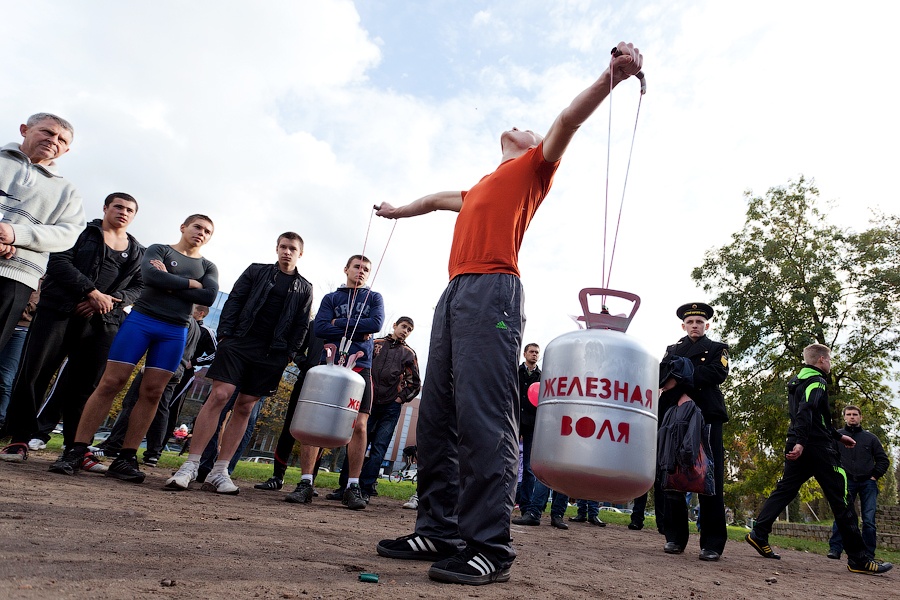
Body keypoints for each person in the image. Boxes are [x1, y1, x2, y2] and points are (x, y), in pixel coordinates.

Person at [373, 43, 643, 586]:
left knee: (482, 415)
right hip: (453, 293)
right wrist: (396, 210)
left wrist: (610, 76)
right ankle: (437, 528)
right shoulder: (477, 188)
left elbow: (568, 119)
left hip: (494, 290)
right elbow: (431, 201)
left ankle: (490, 546)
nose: (520, 125)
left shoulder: (534, 166)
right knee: (437, 416)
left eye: (528, 127)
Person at [48, 214, 218, 481]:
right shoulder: (158, 250)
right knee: (111, 383)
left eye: (208, 231)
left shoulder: (208, 266)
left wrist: (171, 282)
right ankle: (76, 450)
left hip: (174, 330)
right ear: (183, 227)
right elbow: (150, 277)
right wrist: (190, 284)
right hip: (141, 321)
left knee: (152, 392)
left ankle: (126, 457)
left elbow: (208, 295)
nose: (201, 233)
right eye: (197, 226)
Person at [0, 193, 142, 463]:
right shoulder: (80, 233)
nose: (123, 212)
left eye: (130, 210)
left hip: (103, 323)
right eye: (118, 207)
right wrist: (90, 292)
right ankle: (19, 439)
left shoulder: (137, 251)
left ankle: (76, 448)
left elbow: (139, 287)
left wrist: (110, 301)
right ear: (105, 208)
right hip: (58, 313)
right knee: (34, 373)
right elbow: (57, 263)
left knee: (86, 386)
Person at [166, 232, 312, 494]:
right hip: (239, 342)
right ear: (276, 248)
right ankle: (190, 465)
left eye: (292, 248)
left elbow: (301, 325)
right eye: (282, 247)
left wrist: (288, 354)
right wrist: (225, 336)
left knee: (245, 407)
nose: (286, 252)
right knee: (220, 395)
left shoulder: (305, 287)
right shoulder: (256, 271)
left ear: (300, 253)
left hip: (272, 354)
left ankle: (220, 471)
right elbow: (235, 300)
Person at [746, 344, 892, 575]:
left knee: (785, 489)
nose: (830, 364)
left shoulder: (797, 380)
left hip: (800, 441)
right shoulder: (818, 381)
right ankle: (859, 559)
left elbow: (815, 418)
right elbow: (806, 410)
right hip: (816, 448)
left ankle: (759, 532)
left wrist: (837, 436)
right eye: (830, 360)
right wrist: (804, 442)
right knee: (841, 500)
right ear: (822, 360)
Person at [284, 255, 384, 510]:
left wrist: (337, 323)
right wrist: (354, 328)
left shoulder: (374, 298)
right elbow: (320, 328)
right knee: (314, 418)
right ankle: (306, 482)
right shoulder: (331, 298)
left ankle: (352, 486)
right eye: (357, 267)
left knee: (359, 426)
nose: (361, 272)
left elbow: (376, 324)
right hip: (328, 365)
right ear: (346, 269)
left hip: (361, 368)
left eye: (366, 269)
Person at [0, 113, 85, 356]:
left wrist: (15, 234)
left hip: (17, 278)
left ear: (66, 151)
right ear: (24, 129)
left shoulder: (68, 192)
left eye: (62, 140)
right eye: (47, 132)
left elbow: (68, 234)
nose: (53, 140)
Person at [653, 302, 729, 562]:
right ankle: (674, 537)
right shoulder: (672, 350)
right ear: (683, 325)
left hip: (707, 416)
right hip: (675, 416)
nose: (695, 325)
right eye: (690, 322)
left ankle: (712, 544)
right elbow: (663, 378)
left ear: (706, 325)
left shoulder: (718, 348)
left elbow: (717, 373)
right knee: (673, 473)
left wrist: (682, 378)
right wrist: (680, 391)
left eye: (699, 322)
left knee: (709, 477)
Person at [95, 304, 207, 465]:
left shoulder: (182, 319)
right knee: (160, 409)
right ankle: (153, 453)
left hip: (165, 367)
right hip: (176, 369)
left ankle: (114, 445)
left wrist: (150, 364)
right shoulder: (195, 326)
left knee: (132, 403)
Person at [327, 316, 420, 501]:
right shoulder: (375, 344)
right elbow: (361, 367)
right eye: (403, 326)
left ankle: (366, 489)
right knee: (355, 443)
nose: (405, 331)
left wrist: (400, 399)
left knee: (379, 448)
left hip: (390, 408)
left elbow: (415, 383)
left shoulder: (409, 354)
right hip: (367, 404)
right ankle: (345, 486)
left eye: (409, 329)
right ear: (395, 325)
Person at [254, 324, 325, 491]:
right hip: (305, 381)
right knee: (290, 427)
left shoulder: (346, 328)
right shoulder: (315, 325)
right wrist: (304, 364)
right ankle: (277, 476)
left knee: (320, 433)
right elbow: (297, 349)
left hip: (328, 386)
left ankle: (309, 481)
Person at [826, 405, 890, 560]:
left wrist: (874, 475)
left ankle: (868, 553)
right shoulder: (838, 437)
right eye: (849, 414)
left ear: (861, 417)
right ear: (844, 417)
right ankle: (835, 548)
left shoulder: (871, 438)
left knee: (868, 520)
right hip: (846, 482)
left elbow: (883, 460)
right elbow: (829, 457)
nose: (852, 417)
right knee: (842, 515)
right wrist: (837, 477)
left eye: (855, 414)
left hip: (868, 482)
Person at [0, 289, 39, 430]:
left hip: (20, 330)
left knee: (6, 377)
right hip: (3, 323)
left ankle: (1, 420)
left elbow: (36, 305)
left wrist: (20, 306)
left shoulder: (42, 279)